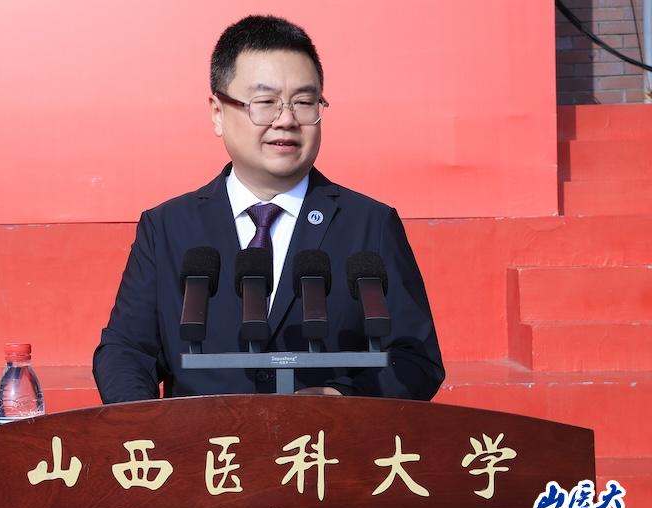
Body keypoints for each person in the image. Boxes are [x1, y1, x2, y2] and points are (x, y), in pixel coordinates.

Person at [93, 15, 444, 403]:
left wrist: (340, 398)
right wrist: (147, 427)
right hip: (207, 441)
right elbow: (126, 351)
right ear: (217, 112)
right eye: (265, 103)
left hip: (325, 440)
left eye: (304, 102)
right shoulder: (167, 228)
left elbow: (416, 359)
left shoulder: (370, 225)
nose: (287, 120)